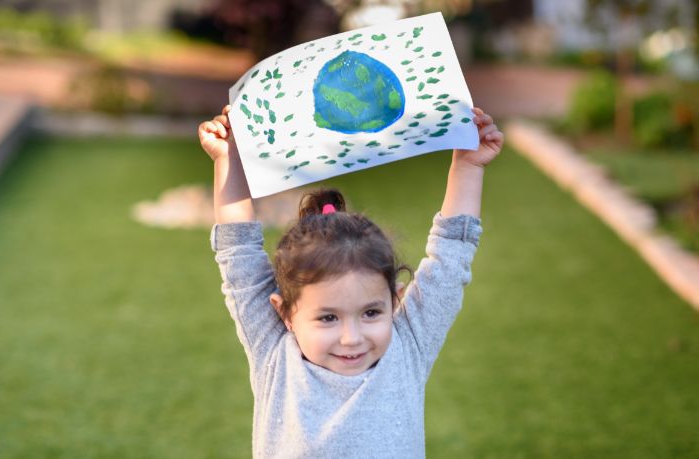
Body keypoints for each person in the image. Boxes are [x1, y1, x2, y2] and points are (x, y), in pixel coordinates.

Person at [198, 105, 503, 458]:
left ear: (395, 300)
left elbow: (450, 258)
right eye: (328, 317)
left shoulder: (408, 346)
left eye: (371, 313)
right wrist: (228, 159)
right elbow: (238, 255)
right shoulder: (273, 352)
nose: (352, 338)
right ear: (285, 313)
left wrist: (467, 165)